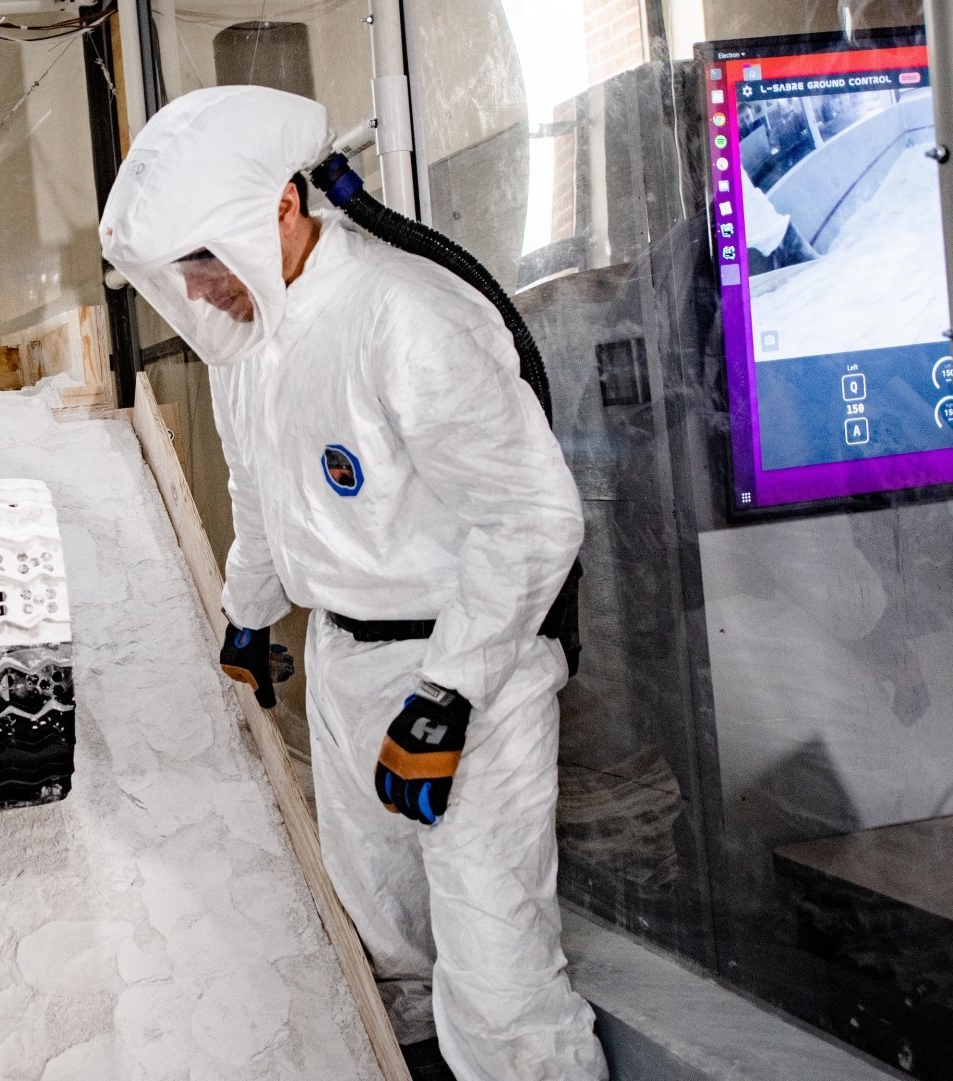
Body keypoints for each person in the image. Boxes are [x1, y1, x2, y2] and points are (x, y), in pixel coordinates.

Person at [100, 86, 605, 1081]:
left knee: (498, 975)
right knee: (390, 946)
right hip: (345, 661)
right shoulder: (248, 345)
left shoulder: (405, 317)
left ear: (283, 207)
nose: (200, 291)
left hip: (467, 667)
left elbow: (534, 520)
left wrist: (447, 697)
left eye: (206, 259)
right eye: (182, 272)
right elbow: (261, 501)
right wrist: (248, 618)